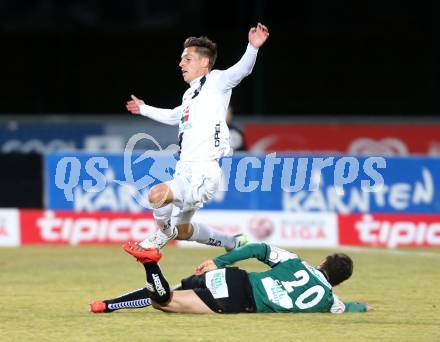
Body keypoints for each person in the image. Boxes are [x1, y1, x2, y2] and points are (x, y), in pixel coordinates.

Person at [126, 23, 269, 251]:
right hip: (185, 168)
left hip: (203, 171)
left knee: (156, 195)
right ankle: (233, 242)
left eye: (187, 59)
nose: (181, 64)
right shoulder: (190, 93)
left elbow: (242, 70)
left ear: (204, 62)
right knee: (184, 232)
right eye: (182, 59)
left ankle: (163, 233)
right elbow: (175, 116)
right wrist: (144, 109)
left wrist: (253, 47)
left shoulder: (217, 81)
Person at [90, 242, 370, 314]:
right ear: (338, 282)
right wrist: (365, 307)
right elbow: (350, 308)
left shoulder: (295, 261)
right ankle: (150, 264)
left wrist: (219, 260)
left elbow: (258, 248)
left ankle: (107, 304)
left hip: (233, 277)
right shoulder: (330, 300)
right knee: (165, 301)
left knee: (165, 293)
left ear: (322, 263)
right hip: (237, 299)